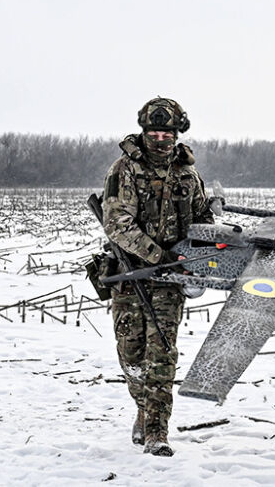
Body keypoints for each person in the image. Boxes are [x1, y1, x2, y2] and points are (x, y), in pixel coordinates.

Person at [101, 97, 214, 457]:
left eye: (167, 132)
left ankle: (156, 432)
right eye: (154, 132)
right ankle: (143, 407)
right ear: (143, 131)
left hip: (170, 282)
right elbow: (117, 225)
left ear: (178, 133)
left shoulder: (188, 174)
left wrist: (197, 253)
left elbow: (202, 219)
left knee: (162, 357)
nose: (160, 139)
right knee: (131, 357)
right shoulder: (124, 170)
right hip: (130, 275)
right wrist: (157, 255)